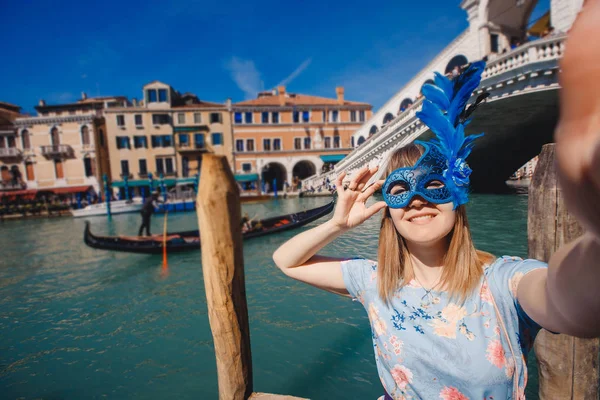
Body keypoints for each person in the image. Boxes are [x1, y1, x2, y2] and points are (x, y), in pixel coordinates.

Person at [273, 5, 600, 398]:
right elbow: (285, 262)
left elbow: (573, 304)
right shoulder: (375, 281)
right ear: (389, 212)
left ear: (457, 195)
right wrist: (337, 225)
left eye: (432, 184)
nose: (415, 200)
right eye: (397, 190)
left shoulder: (502, 282)